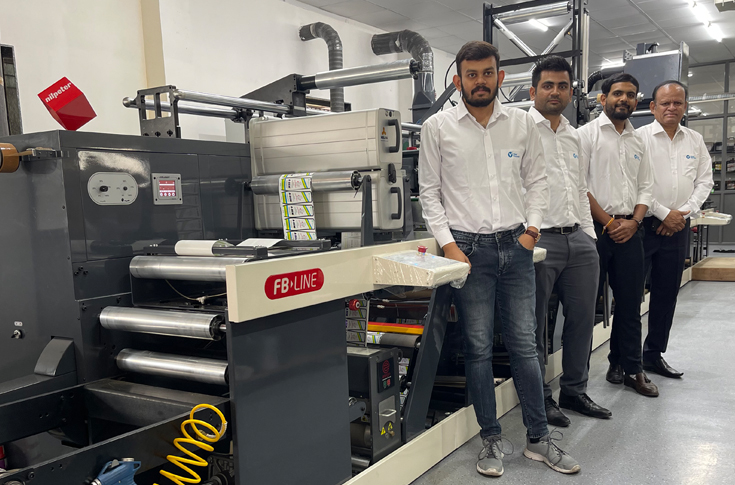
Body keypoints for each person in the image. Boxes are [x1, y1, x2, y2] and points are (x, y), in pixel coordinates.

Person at [419, 40, 579, 477]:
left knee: (525, 344)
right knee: (478, 348)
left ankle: (538, 438)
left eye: (487, 73)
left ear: (500, 77)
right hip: (467, 250)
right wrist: (449, 245)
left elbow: (538, 181)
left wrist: (531, 231)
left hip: (516, 246)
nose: (480, 81)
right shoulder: (437, 128)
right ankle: (491, 439)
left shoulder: (522, 123)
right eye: (471, 75)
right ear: (458, 81)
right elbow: (429, 194)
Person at [528, 56, 611, 426]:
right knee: (533, 327)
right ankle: (539, 399)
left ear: (571, 92)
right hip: (538, 240)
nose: (555, 92)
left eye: (562, 86)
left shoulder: (574, 136)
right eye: (548, 85)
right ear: (534, 91)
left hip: (577, 239)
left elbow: (580, 189)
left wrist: (589, 238)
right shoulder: (519, 131)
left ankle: (575, 391)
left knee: (581, 320)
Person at [578, 72, 658, 397]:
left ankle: (629, 368)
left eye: (630, 95)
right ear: (603, 98)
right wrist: (610, 223)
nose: (624, 99)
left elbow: (647, 187)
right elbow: (580, 186)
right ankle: (577, 379)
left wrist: (635, 222)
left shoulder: (639, 141)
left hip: (631, 230)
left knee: (630, 304)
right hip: (595, 231)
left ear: (636, 101)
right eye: (618, 93)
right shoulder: (585, 135)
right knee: (585, 307)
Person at [637, 80, 714, 378]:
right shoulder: (639, 138)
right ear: (653, 107)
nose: (671, 108)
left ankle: (652, 354)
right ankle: (623, 359)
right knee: (631, 295)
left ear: (685, 106)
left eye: (677, 103)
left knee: (667, 293)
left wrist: (681, 214)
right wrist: (663, 213)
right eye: (665, 103)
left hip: (679, 226)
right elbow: (635, 182)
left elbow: (704, 181)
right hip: (643, 224)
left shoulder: (695, 140)